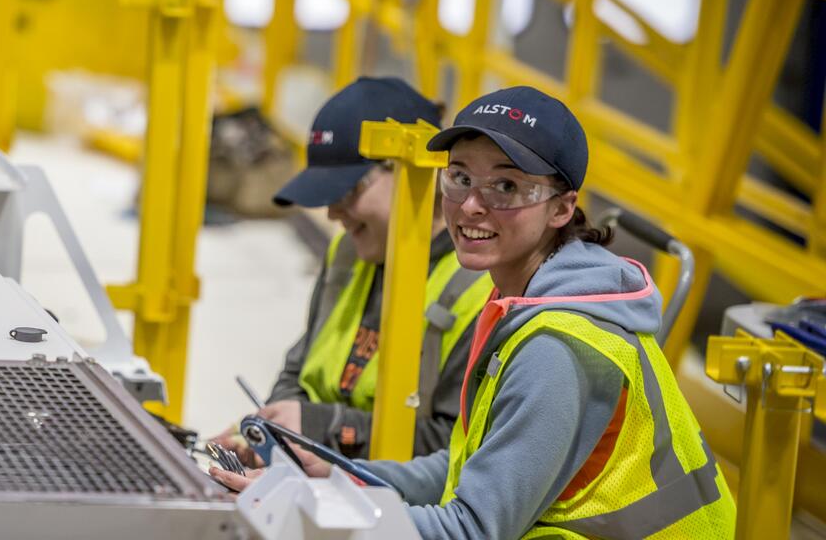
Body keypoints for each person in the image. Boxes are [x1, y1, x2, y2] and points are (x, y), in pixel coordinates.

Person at [213, 86, 736, 538]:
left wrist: (314, 509)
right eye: (459, 177)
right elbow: (463, 467)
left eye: (506, 186)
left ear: (561, 207)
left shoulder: (560, 348)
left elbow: (471, 528)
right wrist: (337, 476)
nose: (470, 206)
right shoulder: (524, 296)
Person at [213, 77, 494, 459]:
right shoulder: (347, 254)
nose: (331, 213)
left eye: (347, 192)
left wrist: (319, 430)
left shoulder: (480, 290)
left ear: (416, 169)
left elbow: (451, 448)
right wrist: (277, 432)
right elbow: (298, 369)